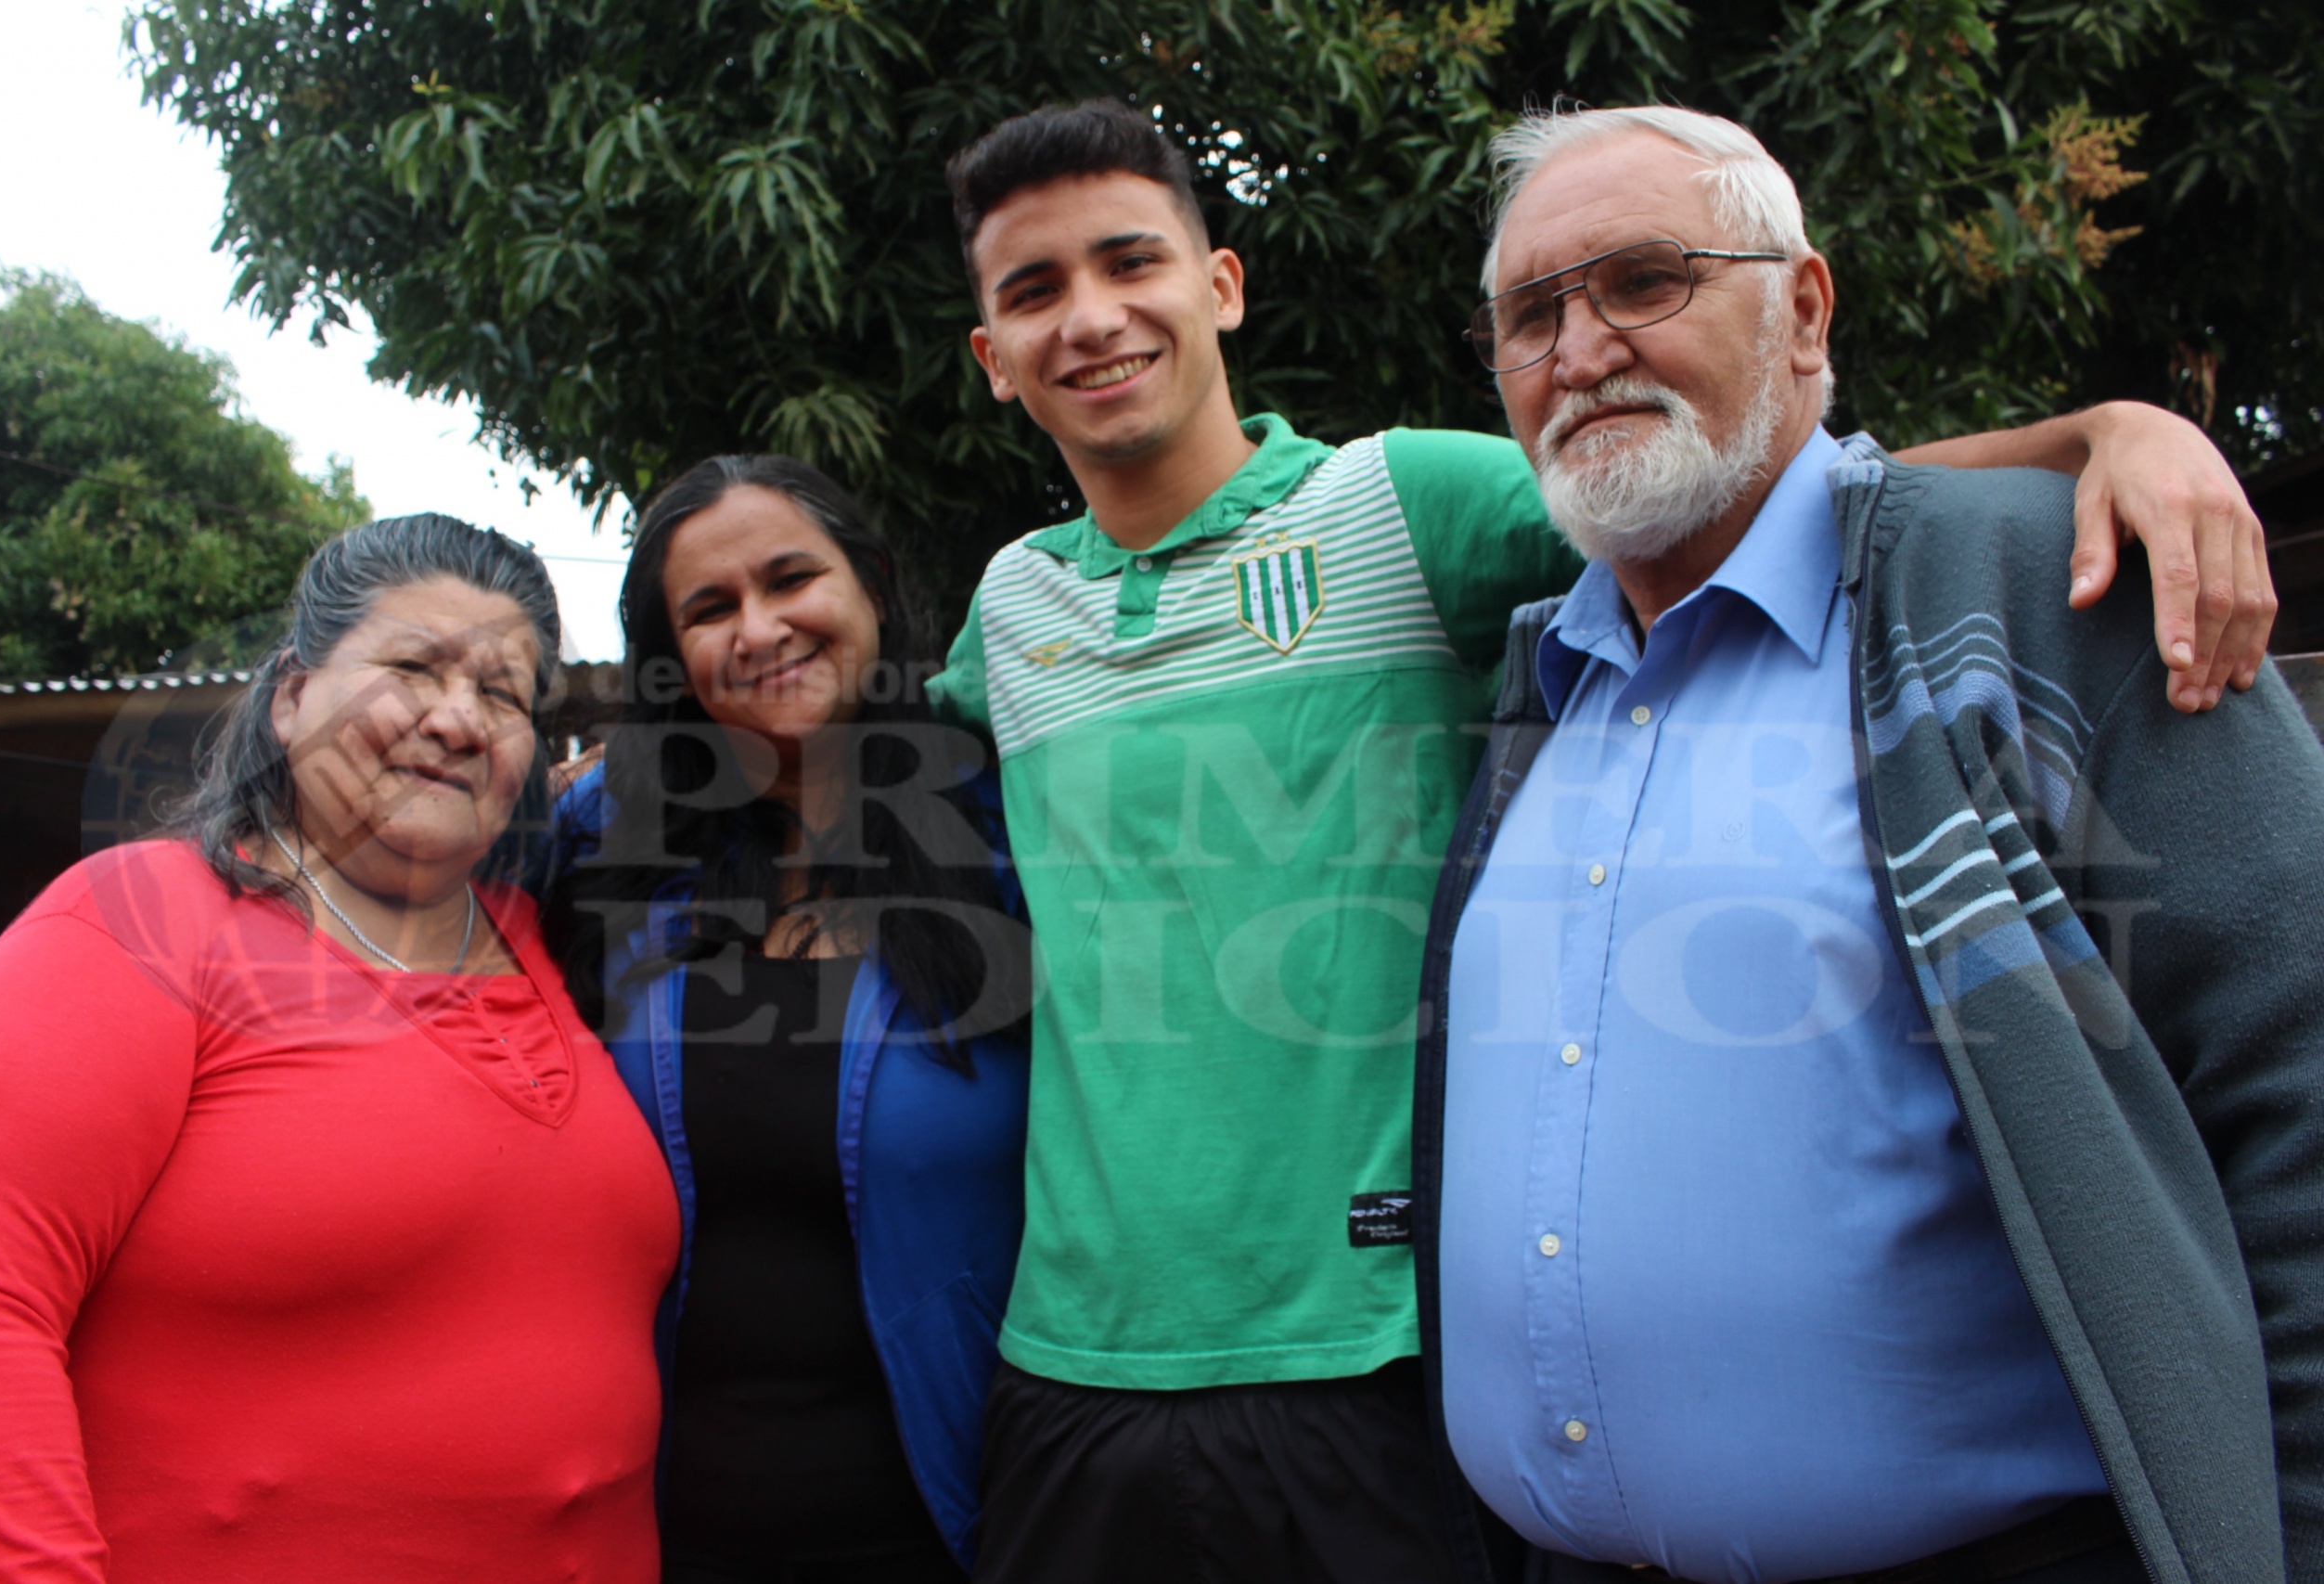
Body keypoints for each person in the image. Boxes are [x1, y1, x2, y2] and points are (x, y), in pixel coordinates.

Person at [924, 99, 2282, 1584]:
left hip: (1370, 1369)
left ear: (1225, 285)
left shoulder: (1396, 502)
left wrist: (2105, 435)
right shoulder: (1007, 610)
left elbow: (1741, 487)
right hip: (1076, 1376)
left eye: (1133, 263)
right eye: (1033, 290)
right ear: (989, 359)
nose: (1093, 317)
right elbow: (844, 764)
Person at [1416, 105, 2324, 1584]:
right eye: (1530, 315)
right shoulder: (1540, 682)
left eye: (1644, 281)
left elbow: (2298, 1084)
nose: (1579, 353)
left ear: (1803, 308)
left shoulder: (2046, 589)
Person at [0, 515, 678, 1583]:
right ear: (291, 697)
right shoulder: (143, 921)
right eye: (412, 668)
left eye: (504, 695)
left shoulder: (549, 947)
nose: (457, 719)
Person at [542, 456, 1030, 1584]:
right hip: (663, 1533)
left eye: (789, 579)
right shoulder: (608, 850)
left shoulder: (1010, 831)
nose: (757, 629)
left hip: (962, 1528)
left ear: (871, 586)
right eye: (708, 609)